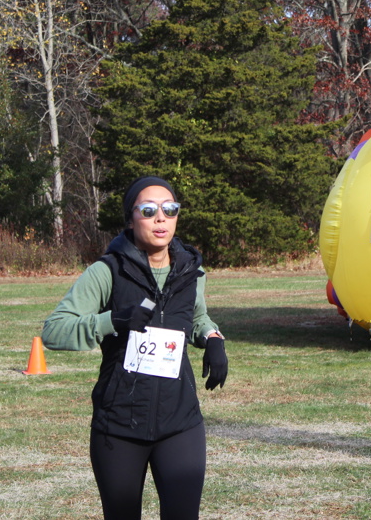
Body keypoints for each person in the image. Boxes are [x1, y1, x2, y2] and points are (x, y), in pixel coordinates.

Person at [42, 176, 228, 520]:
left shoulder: (191, 270)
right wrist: (112, 320)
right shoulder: (107, 271)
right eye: (148, 210)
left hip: (180, 422)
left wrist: (212, 338)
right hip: (119, 428)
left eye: (170, 209)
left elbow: (197, 317)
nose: (160, 218)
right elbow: (54, 330)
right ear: (131, 219)